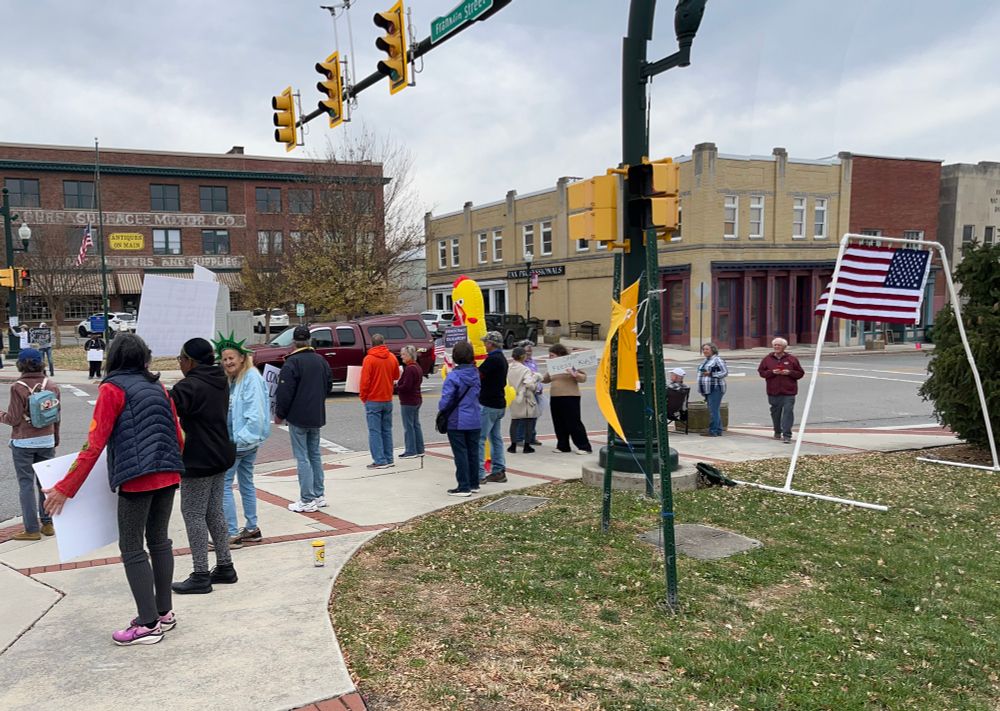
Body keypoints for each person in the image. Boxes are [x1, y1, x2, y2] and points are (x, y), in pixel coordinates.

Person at [42, 334, 184, 646]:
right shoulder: (158, 387)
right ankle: (163, 613)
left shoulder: (112, 388)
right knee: (160, 541)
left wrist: (65, 488)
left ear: (113, 357)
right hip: (169, 471)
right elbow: (177, 434)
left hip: (138, 478)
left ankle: (147, 624)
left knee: (132, 547)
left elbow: (94, 445)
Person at [170, 338, 237, 594]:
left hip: (198, 458)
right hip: (220, 453)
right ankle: (225, 566)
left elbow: (169, 404)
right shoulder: (218, 378)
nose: (179, 363)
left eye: (180, 358)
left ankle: (200, 574)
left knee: (193, 513)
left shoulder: (190, 386)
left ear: (190, 361)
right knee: (213, 511)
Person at [217, 335, 271, 548]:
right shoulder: (234, 380)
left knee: (223, 485)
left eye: (231, 358)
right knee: (246, 482)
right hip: (241, 441)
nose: (228, 362)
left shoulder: (250, 377)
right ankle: (251, 528)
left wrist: (239, 440)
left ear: (241, 358)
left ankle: (231, 532)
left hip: (241, 443)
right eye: (224, 359)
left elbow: (255, 414)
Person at [1, 348, 60, 541]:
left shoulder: (18, 387)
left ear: (20, 364)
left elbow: (13, 418)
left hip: (24, 442)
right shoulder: (51, 385)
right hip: (47, 439)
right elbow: (56, 416)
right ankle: (48, 523)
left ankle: (31, 529)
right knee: (45, 483)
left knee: (26, 484)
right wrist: (55, 437)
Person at [275, 325, 332, 513]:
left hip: (298, 416)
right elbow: (328, 386)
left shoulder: (292, 363)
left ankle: (307, 499)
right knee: (314, 454)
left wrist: (279, 414)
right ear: (309, 340)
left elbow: (285, 393)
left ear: (294, 341)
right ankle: (318, 494)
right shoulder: (321, 361)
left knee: (302, 458)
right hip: (316, 415)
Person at [438, 341, 481, 496]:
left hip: (457, 419)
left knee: (460, 453)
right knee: (473, 452)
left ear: (455, 357)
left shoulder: (453, 377)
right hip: (475, 417)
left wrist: (442, 410)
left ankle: (463, 486)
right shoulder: (476, 374)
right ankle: (474, 483)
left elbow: (446, 401)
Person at [542, 343, 592, 454]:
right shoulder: (553, 367)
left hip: (570, 396)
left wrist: (574, 374)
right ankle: (563, 445)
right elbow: (546, 379)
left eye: (552, 355)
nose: (550, 358)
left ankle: (584, 446)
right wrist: (536, 377)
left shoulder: (571, 363)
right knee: (558, 422)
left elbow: (583, 378)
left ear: (560, 355)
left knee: (573, 422)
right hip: (555, 397)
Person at [360, 333, 399, 469]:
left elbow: (365, 382)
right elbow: (396, 375)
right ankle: (389, 458)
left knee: (374, 431)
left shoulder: (369, 359)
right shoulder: (392, 357)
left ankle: (379, 459)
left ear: (372, 344)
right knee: (386, 430)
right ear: (384, 342)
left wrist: (363, 397)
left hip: (373, 398)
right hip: (387, 398)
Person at [757, 337, 805, 443]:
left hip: (789, 391)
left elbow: (800, 373)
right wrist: (772, 372)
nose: (776, 347)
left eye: (779, 345)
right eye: (775, 345)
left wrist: (790, 373)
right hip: (773, 391)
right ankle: (777, 431)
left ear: (784, 347)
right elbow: (761, 372)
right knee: (775, 413)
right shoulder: (767, 359)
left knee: (788, 412)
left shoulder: (792, 359)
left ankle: (787, 435)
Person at [477, 331, 509, 484]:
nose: (484, 345)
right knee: (496, 438)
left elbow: (478, 375)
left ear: (491, 344)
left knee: (480, 439)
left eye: (486, 343)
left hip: (488, 403)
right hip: (499, 403)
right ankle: (498, 470)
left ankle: (479, 474)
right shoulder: (502, 358)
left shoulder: (492, 360)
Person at [506, 346, 542, 454]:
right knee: (529, 420)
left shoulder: (509, 367)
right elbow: (529, 384)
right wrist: (535, 382)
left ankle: (513, 445)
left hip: (513, 395)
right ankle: (527, 445)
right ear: (522, 356)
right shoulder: (525, 369)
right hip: (525, 397)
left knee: (515, 420)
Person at [396, 344, 424, 459]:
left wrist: (396, 387)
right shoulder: (417, 367)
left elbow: (406, 387)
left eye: (403, 354)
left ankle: (411, 450)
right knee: (415, 425)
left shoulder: (410, 369)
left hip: (408, 401)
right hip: (416, 399)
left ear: (409, 356)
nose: (401, 357)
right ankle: (419, 449)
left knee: (409, 426)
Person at [697, 342, 729, 437]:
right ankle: (718, 430)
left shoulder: (717, 360)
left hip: (715, 388)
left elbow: (725, 372)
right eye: (703, 349)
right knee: (714, 409)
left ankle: (713, 430)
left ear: (713, 350)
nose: (705, 351)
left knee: (713, 410)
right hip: (707, 389)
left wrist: (711, 374)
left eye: (707, 349)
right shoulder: (705, 361)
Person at [515, 339, 543, 447]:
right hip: (526, 393)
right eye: (527, 352)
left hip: (536, 391)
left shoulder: (532, 362)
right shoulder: (520, 365)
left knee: (534, 416)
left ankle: (531, 437)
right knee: (523, 417)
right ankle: (519, 438)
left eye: (530, 352)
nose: (529, 354)